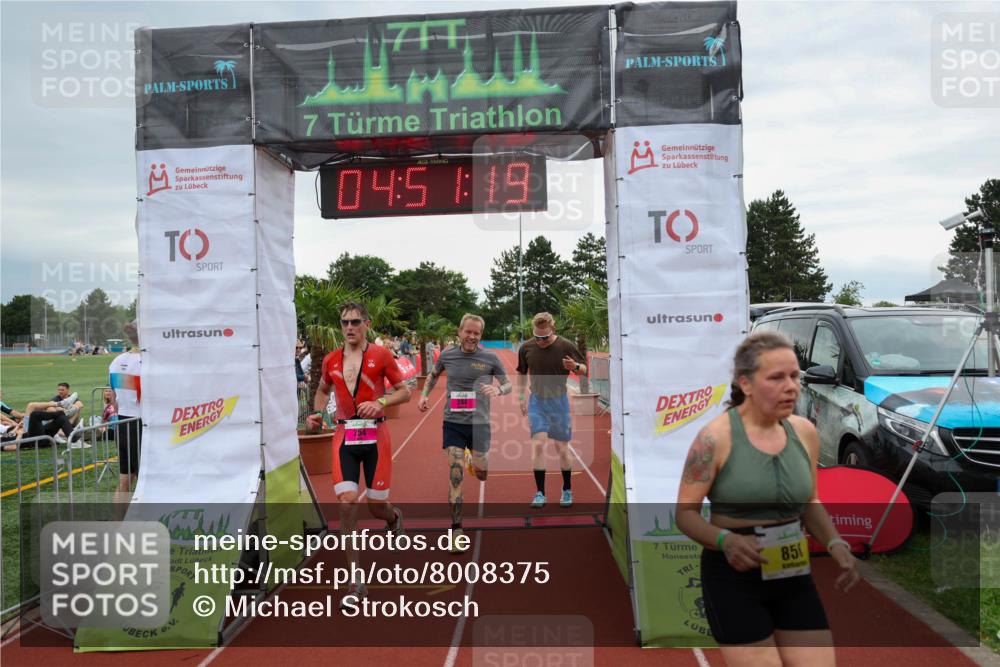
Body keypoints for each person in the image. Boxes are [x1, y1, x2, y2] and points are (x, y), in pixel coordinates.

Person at [674, 331, 860, 666]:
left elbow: (810, 501)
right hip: (733, 575)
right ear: (745, 383)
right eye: (776, 378)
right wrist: (726, 540)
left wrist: (835, 543)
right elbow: (685, 513)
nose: (791, 387)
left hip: (791, 571)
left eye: (794, 376)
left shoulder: (805, 432)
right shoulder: (714, 438)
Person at [305, 301, 411, 605]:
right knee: (347, 502)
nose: (349, 327)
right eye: (344, 322)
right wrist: (317, 414)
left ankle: (393, 517)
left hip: (376, 436)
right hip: (344, 436)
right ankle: (355, 582)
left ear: (367, 324)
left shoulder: (381, 355)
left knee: (376, 506)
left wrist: (381, 403)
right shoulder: (331, 359)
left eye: (355, 322)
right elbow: (322, 390)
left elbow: (404, 390)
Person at [418, 314, 511, 552]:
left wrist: (498, 390)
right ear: (459, 332)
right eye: (468, 332)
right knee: (455, 475)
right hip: (453, 423)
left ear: (481, 335)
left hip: (480, 424)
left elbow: (508, 384)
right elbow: (433, 375)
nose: (471, 336)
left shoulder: (490, 357)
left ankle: (473, 461)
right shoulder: (448, 355)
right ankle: (456, 529)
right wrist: (424, 395)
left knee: (482, 474)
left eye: (476, 333)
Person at [516, 312, 587, 509]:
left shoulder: (565, 345)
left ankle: (567, 489)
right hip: (537, 401)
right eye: (537, 337)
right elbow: (521, 372)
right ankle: (540, 492)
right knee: (538, 445)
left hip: (559, 402)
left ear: (552, 329)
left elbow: (584, 369)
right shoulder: (526, 347)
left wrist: (575, 366)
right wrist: (521, 397)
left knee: (561, 448)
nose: (540, 341)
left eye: (545, 338)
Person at [109, 321, 142, 494]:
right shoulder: (147, 361)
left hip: (122, 421)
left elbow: (113, 397)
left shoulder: (117, 360)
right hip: (142, 423)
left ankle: (120, 514)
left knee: (124, 480)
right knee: (145, 480)